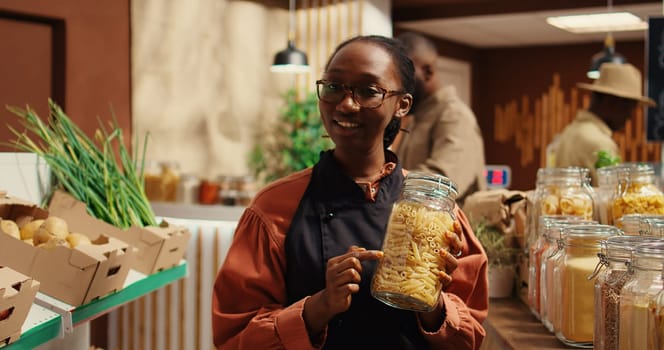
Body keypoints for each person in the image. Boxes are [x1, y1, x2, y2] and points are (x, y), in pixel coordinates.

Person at [212, 35, 488, 349]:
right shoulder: (274, 207)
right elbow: (235, 337)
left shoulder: (436, 214)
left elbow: (470, 339)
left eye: (369, 91)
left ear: (402, 105)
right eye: (333, 87)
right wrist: (319, 307)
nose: (346, 104)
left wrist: (433, 304)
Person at [395, 32, 487, 206]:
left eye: (404, 77)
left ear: (428, 71)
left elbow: (443, 183)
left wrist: (381, 182)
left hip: (449, 231)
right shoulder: (419, 115)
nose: (398, 85)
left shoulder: (454, 115)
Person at [554, 63, 656, 185]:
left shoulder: (571, 130)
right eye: (628, 108)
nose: (629, 116)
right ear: (612, 101)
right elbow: (613, 198)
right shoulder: (599, 142)